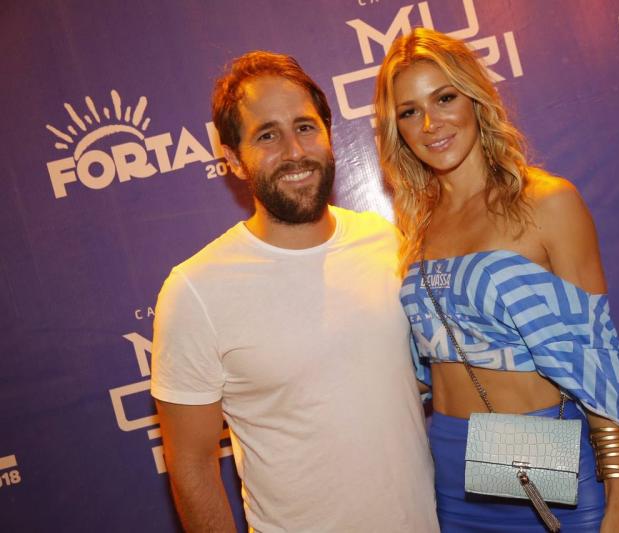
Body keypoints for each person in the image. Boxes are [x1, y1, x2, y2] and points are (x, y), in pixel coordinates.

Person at [150, 51, 438, 533]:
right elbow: (192, 464)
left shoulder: (387, 241)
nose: (294, 151)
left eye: (305, 127)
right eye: (267, 135)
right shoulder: (195, 291)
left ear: (328, 135)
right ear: (233, 160)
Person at [374, 28, 619, 532]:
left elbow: (595, 355)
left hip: (541, 445)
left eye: (444, 98)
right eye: (409, 111)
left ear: (475, 98)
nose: (430, 124)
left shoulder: (547, 202)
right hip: (450, 458)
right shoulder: (416, 226)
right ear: (396, 128)